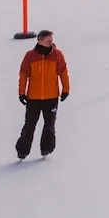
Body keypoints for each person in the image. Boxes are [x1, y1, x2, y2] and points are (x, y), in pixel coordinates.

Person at [14, 30, 69, 161]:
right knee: (29, 125)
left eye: (51, 40)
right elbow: (23, 74)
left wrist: (65, 89)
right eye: (48, 41)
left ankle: (46, 148)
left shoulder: (57, 55)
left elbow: (63, 72)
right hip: (33, 98)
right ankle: (22, 151)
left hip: (51, 98)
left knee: (49, 125)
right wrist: (22, 92)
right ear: (40, 41)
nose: (51, 43)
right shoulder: (30, 56)